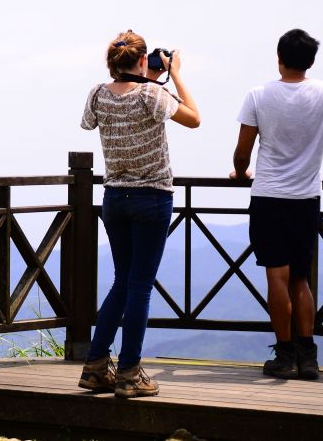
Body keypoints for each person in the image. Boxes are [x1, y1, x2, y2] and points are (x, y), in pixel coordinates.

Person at [230, 29, 323, 380]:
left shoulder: (258, 95)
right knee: (301, 279)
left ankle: (284, 355)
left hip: (268, 197)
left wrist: (241, 170)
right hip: (305, 199)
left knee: (277, 277)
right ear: (310, 61)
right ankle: (309, 357)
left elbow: (243, 150)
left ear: (279, 58)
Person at [77, 30, 200, 398]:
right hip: (152, 198)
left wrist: (147, 76)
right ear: (143, 61)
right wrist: (174, 73)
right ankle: (130, 372)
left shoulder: (98, 93)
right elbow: (194, 119)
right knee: (140, 286)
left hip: (115, 198)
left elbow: (88, 123)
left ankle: (96, 365)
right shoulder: (152, 94)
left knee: (122, 280)